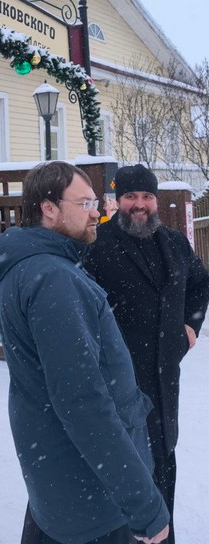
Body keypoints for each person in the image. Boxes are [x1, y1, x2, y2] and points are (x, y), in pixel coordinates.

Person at [0, 161, 170, 544]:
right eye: (85, 203)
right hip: (92, 499)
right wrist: (143, 505)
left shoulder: (33, 267)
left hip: (63, 482)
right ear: (49, 207)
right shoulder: (54, 279)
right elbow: (82, 402)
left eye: (96, 202)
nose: (97, 212)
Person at [85, 164, 209, 544]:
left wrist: (190, 326)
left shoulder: (174, 242)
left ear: (156, 200)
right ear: (116, 200)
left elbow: (200, 283)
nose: (139, 204)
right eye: (130, 196)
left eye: (147, 196)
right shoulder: (97, 245)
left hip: (165, 383)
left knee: (164, 463)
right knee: (127, 473)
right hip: (121, 387)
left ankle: (164, 535)